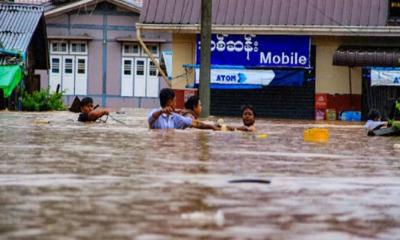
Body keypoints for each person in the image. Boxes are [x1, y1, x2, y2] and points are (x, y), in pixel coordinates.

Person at [148, 88, 215, 130]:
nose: (175, 104)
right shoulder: (155, 114)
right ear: (169, 102)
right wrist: (161, 111)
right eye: (174, 101)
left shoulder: (175, 117)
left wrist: (212, 127)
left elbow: (194, 123)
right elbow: (151, 117)